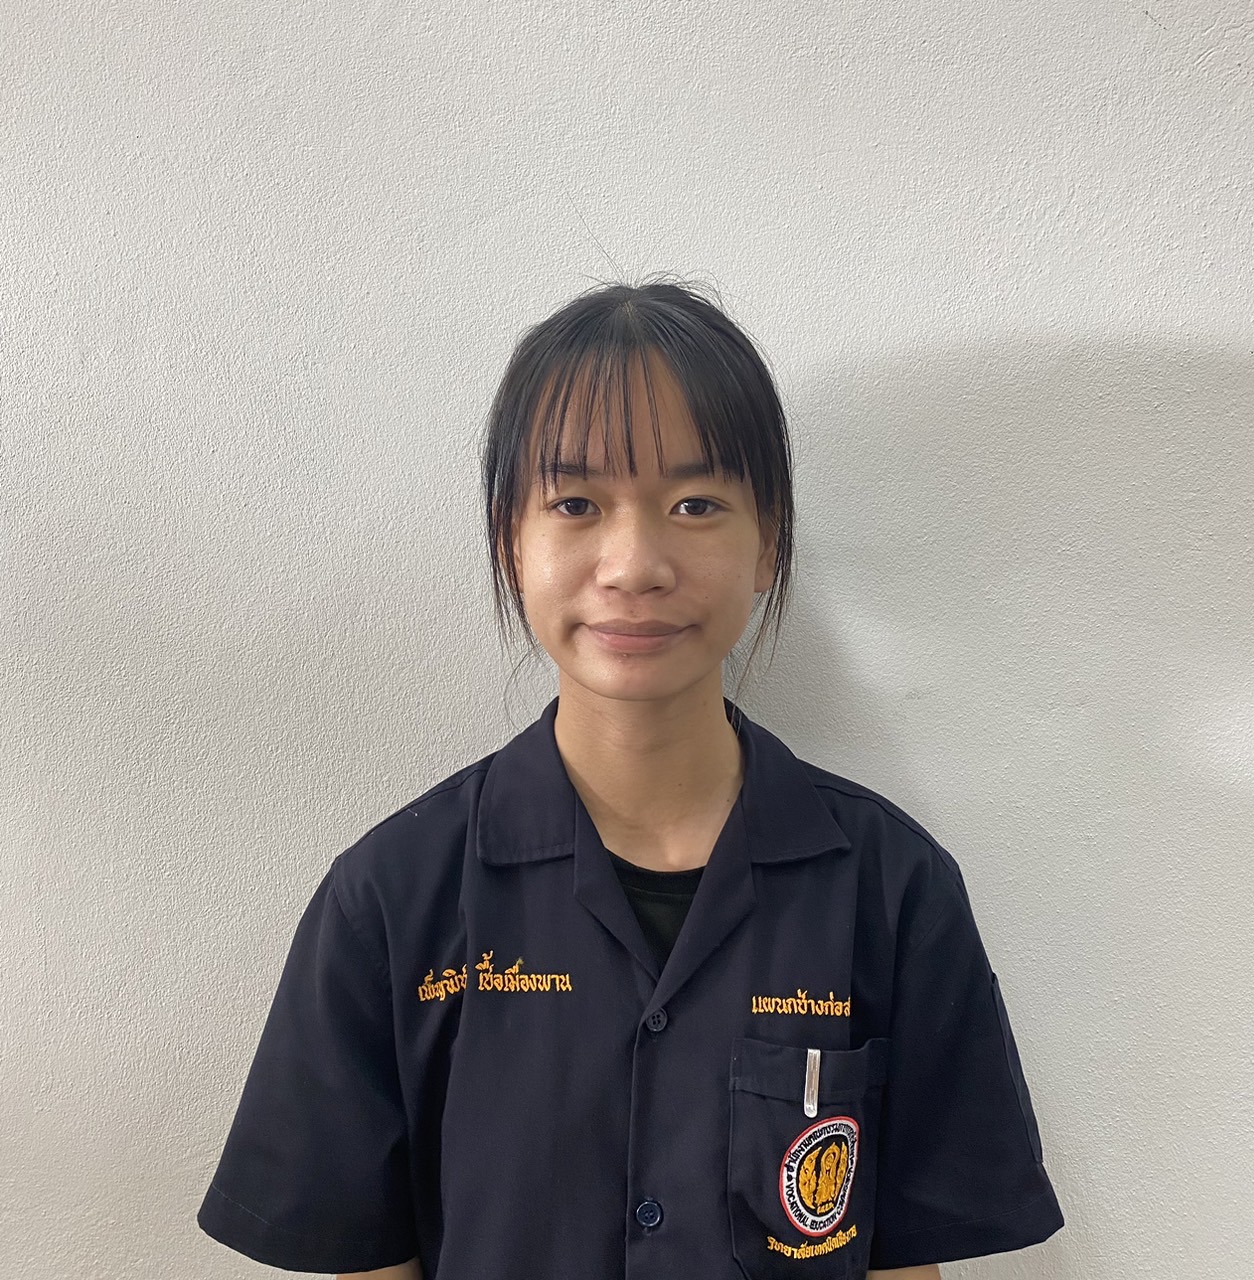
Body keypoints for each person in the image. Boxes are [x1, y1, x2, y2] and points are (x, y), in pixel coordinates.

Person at [197, 279, 1065, 1280]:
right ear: (508, 540)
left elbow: (906, 1262)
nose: (633, 563)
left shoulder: (890, 887)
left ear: (768, 541)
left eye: (695, 504)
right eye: (575, 504)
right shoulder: (393, 897)